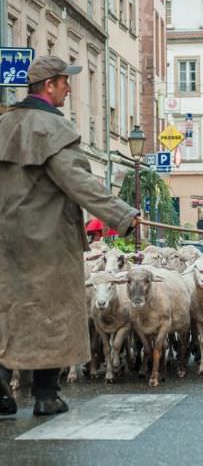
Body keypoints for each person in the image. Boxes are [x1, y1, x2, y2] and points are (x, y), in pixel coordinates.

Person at [0, 56, 140, 417]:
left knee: (9, 311)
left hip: (6, 238)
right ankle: (47, 395)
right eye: (65, 81)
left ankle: (1, 386)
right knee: (52, 312)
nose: (69, 87)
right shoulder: (52, 129)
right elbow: (79, 182)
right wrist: (123, 216)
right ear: (48, 85)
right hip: (46, 240)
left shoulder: (5, 124)